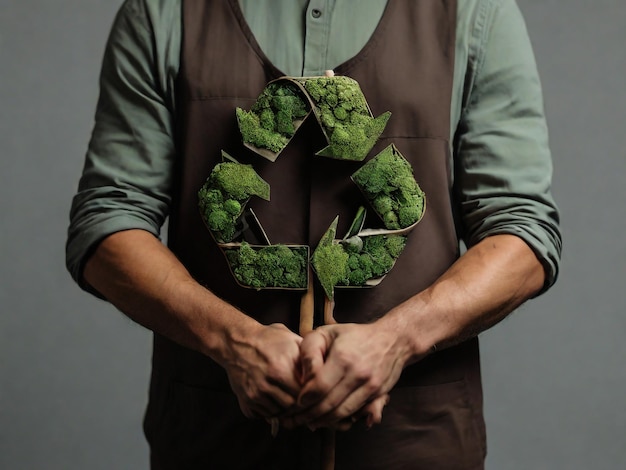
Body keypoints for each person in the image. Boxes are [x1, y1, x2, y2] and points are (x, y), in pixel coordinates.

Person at [66, 0, 561, 468]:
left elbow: (521, 231)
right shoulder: (164, 11)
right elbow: (109, 218)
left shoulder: (474, 12)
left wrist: (398, 339)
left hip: (415, 443)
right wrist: (231, 341)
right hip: (214, 442)